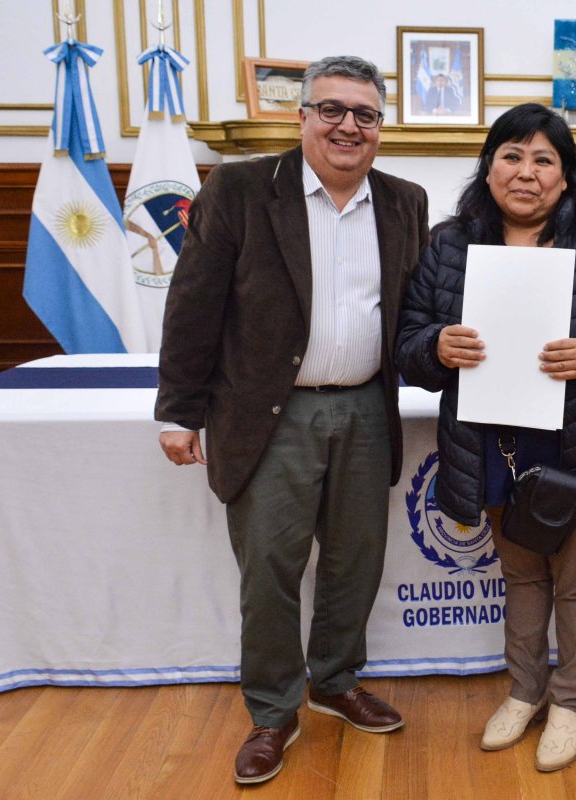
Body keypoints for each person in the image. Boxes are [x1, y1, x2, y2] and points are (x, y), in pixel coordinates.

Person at [155, 55, 429, 785]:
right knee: (271, 569)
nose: (348, 126)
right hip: (267, 412)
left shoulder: (405, 201)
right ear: (302, 116)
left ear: (380, 127)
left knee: (355, 560)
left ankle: (335, 681)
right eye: (331, 109)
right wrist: (178, 410)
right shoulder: (241, 190)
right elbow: (193, 305)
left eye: (364, 114)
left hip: (367, 406)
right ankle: (273, 712)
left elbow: (416, 310)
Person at [395, 103, 576, 772]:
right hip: (492, 441)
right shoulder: (449, 244)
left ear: (566, 174)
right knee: (520, 576)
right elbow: (406, 342)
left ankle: (573, 701)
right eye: (512, 156)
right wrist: (435, 346)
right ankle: (524, 692)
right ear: (489, 167)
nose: (526, 172)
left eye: (544, 159)